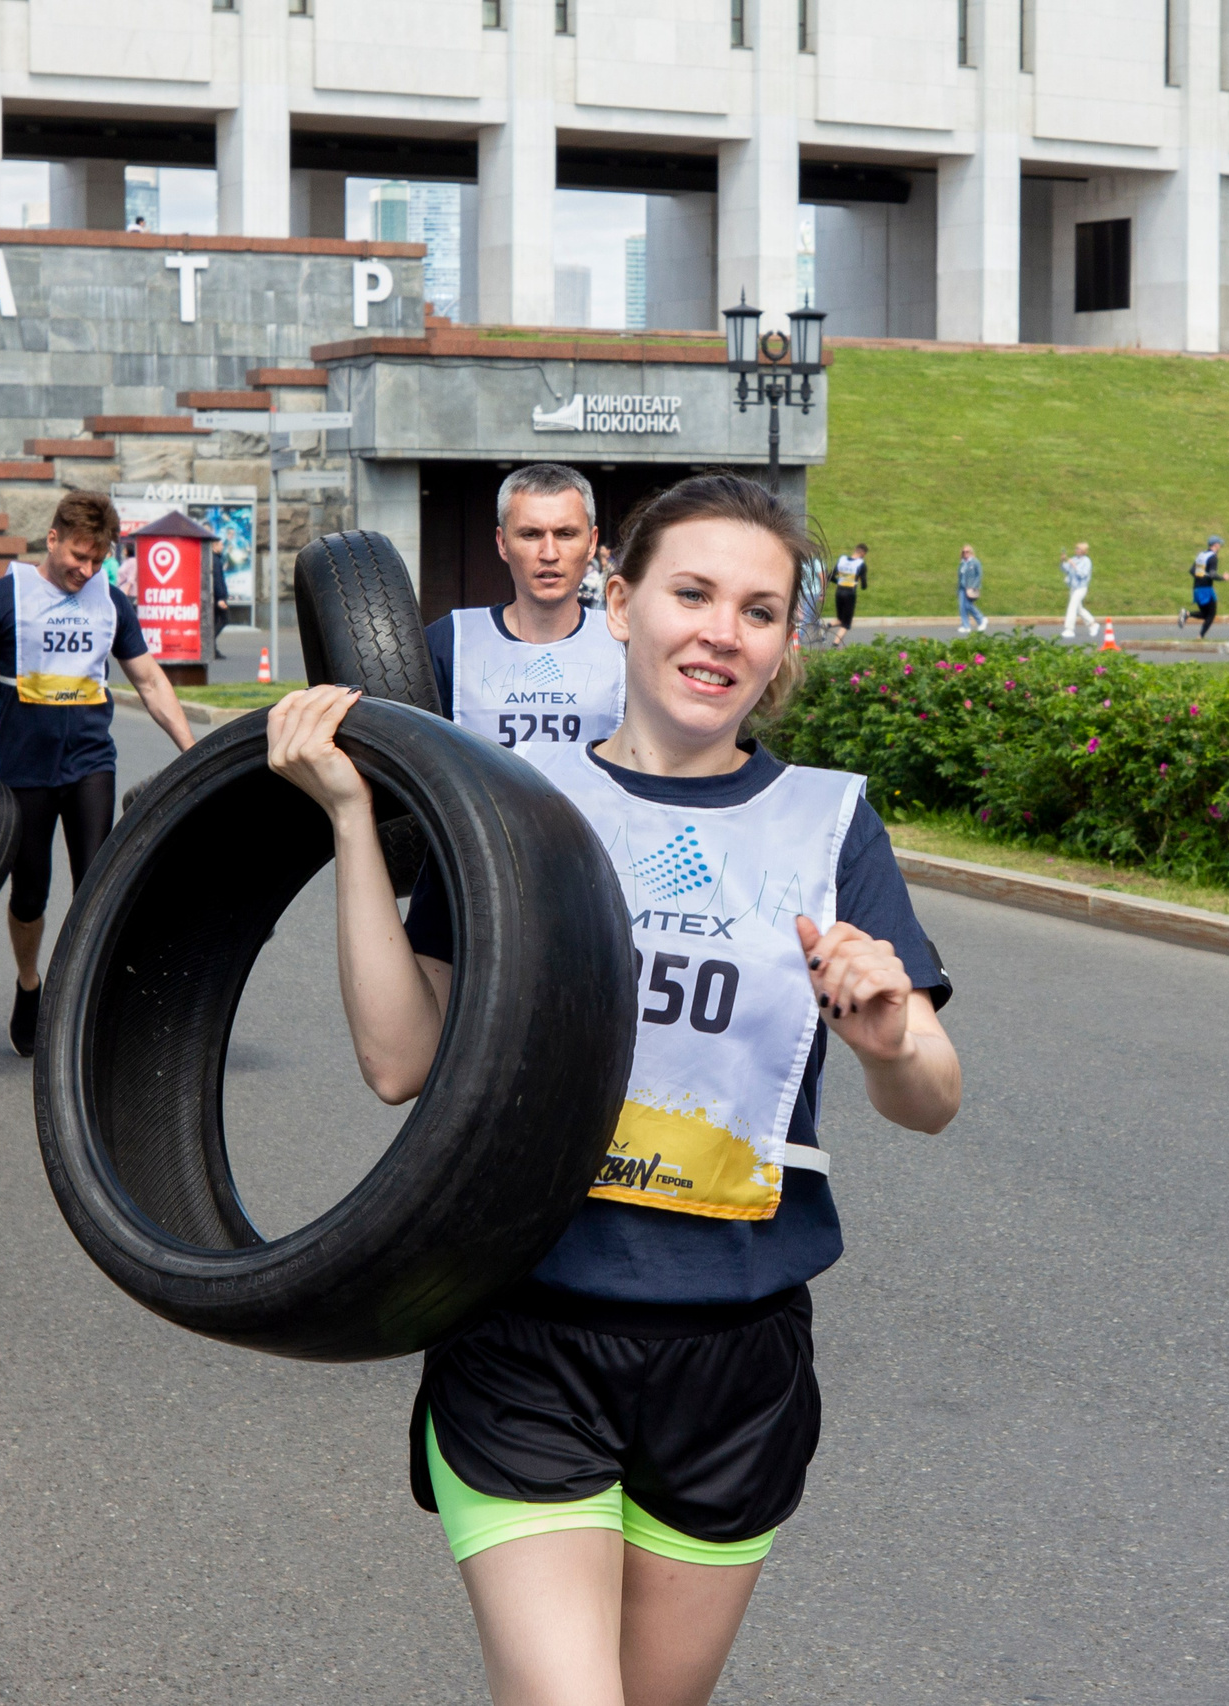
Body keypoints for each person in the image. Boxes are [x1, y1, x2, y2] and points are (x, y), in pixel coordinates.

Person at [265, 473, 962, 1706]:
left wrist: (891, 1031)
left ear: (785, 642)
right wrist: (355, 824)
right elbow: (399, 1060)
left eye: (758, 609)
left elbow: (932, 1099)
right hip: (525, 1327)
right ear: (621, 599)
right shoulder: (512, 807)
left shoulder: (824, 823)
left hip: (733, 1357)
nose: (721, 631)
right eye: (691, 593)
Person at [0, 490, 198, 1057]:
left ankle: (86, 1005)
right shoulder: (5, 598)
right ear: (52, 539)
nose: (86, 569)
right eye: (78, 555)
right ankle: (30, 985)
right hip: (24, 771)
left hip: (91, 766)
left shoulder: (110, 602)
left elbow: (149, 682)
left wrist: (191, 749)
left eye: (97, 559)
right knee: (30, 894)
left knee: (97, 886)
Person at [425, 463, 628, 750]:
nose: (549, 553)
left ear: (592, 542)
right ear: (503, 543)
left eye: (566, 534)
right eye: (531, 534)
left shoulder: (627, 645)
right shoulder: (449, 642)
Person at [1180, 535, 1228, 638]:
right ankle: (1200, 636)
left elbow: (1192, 570)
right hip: (1206, 589)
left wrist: (1200, 577)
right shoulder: (1213, 557)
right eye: (1219, 544)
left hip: (1196, 588)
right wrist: (1223, 578)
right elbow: (1212, 574)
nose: (1220, 547)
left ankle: (1187, 614)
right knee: (1211, 615)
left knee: (1205, 614)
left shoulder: (1201, 555)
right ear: (1215, 545)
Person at [1058, 540, 1097, 641]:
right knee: (1079, 609)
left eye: (1078, 549)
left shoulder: (1086, 561)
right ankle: (1092, 624)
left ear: (1083, 551)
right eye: (1076, 548)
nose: (1076, 550)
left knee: (1072, 606)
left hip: (1081, 588)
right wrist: (1062, 561)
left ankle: (1069, 629)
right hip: (1073, 587)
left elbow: (1083, 574)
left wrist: (1074, 567)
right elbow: (1065, 569)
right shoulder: (1074, 559)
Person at [830, 542, 867, 638]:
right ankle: (835, 645)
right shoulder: (861, 564)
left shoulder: (842, 560)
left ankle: (824, 627)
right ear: (862, 553)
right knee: (846, 624)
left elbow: (830, 576)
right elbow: (864, 585)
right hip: (850, 593)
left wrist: (839, 581)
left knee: (839, 620)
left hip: (839, 591)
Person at [955, 544, 987, 635]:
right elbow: (960, 577)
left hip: (970, 587)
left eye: (967, 551)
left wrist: (974, 586)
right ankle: (966, 626)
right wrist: (958, 589)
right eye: (963, 552)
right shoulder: (962, 563)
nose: (965, 553)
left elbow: (979, 575)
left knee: (968, 605)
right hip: (962, 587)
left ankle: (981, 619)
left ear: (971, 552)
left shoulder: (975, 562)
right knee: (962, 607)